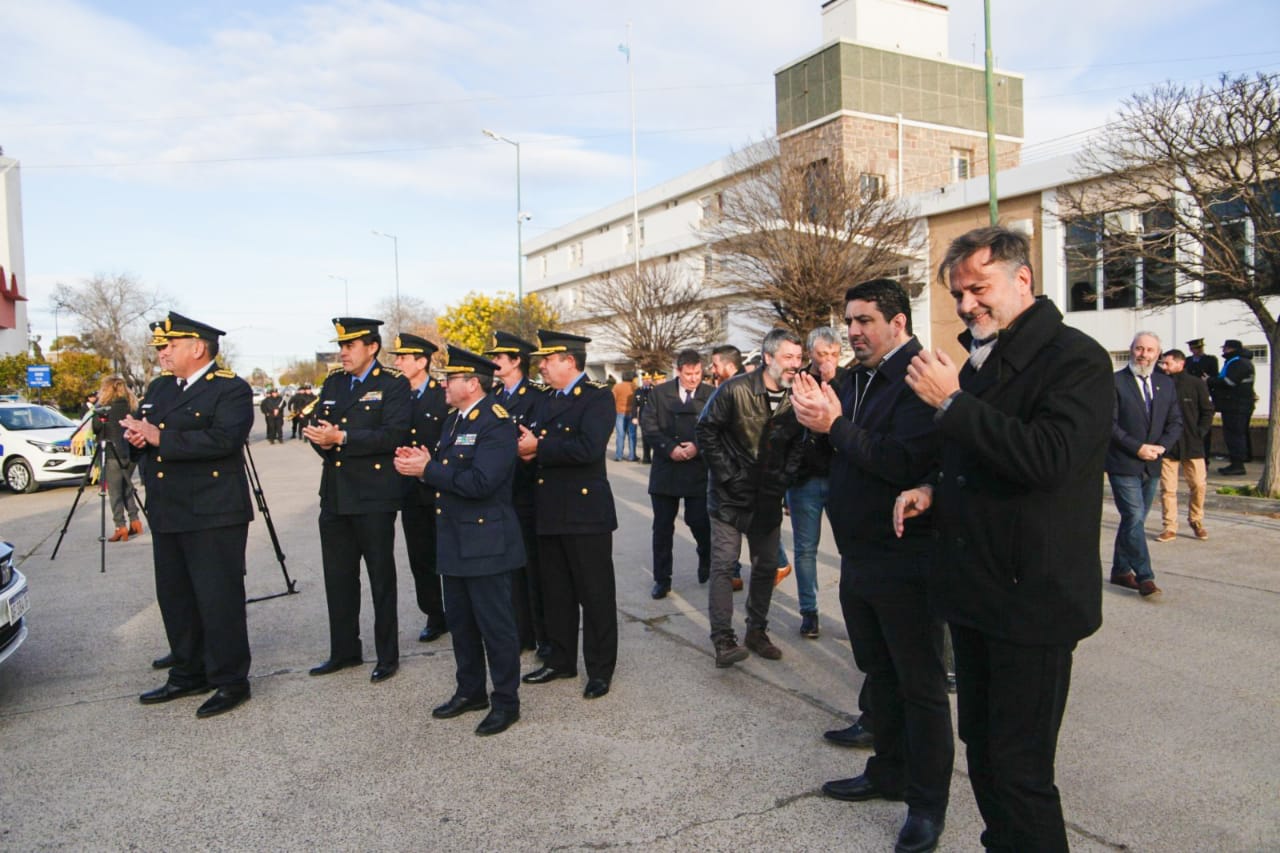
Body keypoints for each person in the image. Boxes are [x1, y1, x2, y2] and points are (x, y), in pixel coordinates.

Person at [895, 226, 1112, 852]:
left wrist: (954, 403)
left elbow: (1049, 459)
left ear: (1024, 279)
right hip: (977, 594)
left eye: (978, 289)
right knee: (984, 753)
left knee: (1020, 770)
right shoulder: (983, 358)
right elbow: (980, 455)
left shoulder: (1077, 359)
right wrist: (935, 488)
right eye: (959, 294)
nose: (966, 306)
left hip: (1033, 600)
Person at [792, 278, 951, 853]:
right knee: (878, 673)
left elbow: (904, 460)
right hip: (858, 554)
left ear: (899, 323)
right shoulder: (856, 379)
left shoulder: (920, 377)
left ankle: (926, 805)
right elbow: (835, 455)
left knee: (920, 685)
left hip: (908, 556)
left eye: (864, 321)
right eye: (850, 321)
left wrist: (833, 426)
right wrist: (811, 420)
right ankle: (887, 771)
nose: (853, 332)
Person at [122, 311, 255, 719]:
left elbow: (225, 439)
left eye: (170, 346)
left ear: (197, 349)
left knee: (218, 599)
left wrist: (161, 437)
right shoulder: (161, 388)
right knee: (176, 598)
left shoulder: (230, 389)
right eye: (162, 348)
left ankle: (231, 679)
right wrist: (138, 440)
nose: (162, 353)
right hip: (169, 509)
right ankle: (187, 671)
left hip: (213, 511)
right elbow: (149, 438)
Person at [395, 346, 525, 737]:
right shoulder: (453, 420)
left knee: (495, 626)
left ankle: (506, 700)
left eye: (451, 379)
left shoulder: (496, 423)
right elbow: (447, 471)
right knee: (462, 625)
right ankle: (470, 691)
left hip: (485, 542)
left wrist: (429, 470)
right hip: (453, 538)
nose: (444, 385)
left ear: (472, 384)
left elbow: (483, 483)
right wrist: (422, 466)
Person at [304, 317, 411, 683]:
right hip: (335, 494)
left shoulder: (392, 385)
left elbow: (394, 433)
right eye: (341, 346)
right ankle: (344, 650)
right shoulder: (334, 382)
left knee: (381, 578)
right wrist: (321, 438)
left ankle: (387, 655)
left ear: (372, 348)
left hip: (374, 496)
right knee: (338, 578)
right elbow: (321, 425)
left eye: (350, 346)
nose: (342, 352)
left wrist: (344, 438)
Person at [695, 328, 806, 667]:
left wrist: (784, 479)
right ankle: (723, 639)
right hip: (729, 498)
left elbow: (800, 442)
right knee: (724, 566)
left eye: (799, 358)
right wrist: (729, 475)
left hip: (768, 497)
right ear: (768, 358)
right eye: (788, 358)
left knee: (766, 566)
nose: (795, 365)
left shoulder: (798, 394)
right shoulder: (735, 389)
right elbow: (705, 430)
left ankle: (756, 631)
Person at [518, 330, 619, 700]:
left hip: (585, 512)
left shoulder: (596, 398)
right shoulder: (546, 400)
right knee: (556, 593)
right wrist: (529, 450)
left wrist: (539, 446)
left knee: (595, 595)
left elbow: (589, 448)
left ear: (570, 362)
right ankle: (560, 660)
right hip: (550, 509)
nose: (541, 365)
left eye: (548, 359)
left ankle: (600, 669)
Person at [484, 330, 549, 657]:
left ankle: (542, 634)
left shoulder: (537, 395)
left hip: (528, 492)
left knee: (534, 569)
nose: (493, 362)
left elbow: (536, 443)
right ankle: (521, 632)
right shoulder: (494, 395)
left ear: (517, 361)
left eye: (499, 357)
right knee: (510, 568)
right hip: (502, 493)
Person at [1106, 331, 1181, 599]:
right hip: (1124, 462)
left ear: (1158, 354)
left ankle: (1120, 570)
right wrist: (1136, 447)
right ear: (1131, 350)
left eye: (1149, 350)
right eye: (1139, 349)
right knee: (1134, 517)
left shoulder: (1166, 384)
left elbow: (1175, 422)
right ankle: (1145, 576)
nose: (1143, 354)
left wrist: (1161, 447)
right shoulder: (1115, 382)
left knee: (1133, 520)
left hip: (1153, 463)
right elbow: (1109, 424)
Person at [388, 333, 449, 642]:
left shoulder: (443, 395)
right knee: (420, 556)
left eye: (403, 357)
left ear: (422, 361)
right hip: (409, 490)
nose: (397, 362)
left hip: (440, 487)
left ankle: (458, 609)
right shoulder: (395, 395)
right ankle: (434, 614)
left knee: (449, 553)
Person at [786, 327, 846, 638]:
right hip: (805, 479)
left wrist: (833, 381)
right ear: (811, 353)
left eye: (833, 354)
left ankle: (854, 609)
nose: (828, 361)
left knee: (848, 547)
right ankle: (809, 611)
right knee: (805, 549)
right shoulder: (795, 382)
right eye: (822, 354)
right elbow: (783, 429)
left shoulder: (848, 380)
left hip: (841, 476)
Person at [641, 349, 713, 599]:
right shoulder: (660, 393)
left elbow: (716, 427)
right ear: (678, 371)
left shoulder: (710, 394)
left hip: (697, 469)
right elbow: (649, 426)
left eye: (697, 373)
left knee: (699, 522)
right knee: (662, 528)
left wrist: (697, 446)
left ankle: (706, 557)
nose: (694, 379)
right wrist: (669, 448)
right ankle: (662, 579)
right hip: (666, 469)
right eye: (688, 374)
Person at [1157, 349, 1213, 542]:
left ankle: (1196, 520)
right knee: (1168, 489)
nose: (1164, 367)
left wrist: (1200, 433)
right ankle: (1169, 526)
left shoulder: (1195, 384)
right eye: (1162, 363)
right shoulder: (1159, 383)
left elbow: (1207, 411)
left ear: (1180, 364)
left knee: (1198, 484)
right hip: (1167, 445)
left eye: (1168, 363)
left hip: (1192, 443)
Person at [96, 375, 143, 543]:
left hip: (112, 453)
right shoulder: (131, 406)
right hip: (130, 453)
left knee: (115, 491)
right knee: (126, 487)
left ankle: (120, 526)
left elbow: (96, 427)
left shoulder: (105, 408)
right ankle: (135, 520)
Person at [1207, 339, 1255, 476]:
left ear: (1231, 349)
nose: (1223, 351)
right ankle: (1238, 461)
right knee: (1237, 434)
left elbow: (1229, 382)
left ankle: (1237, 465)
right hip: (1236, 404)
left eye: (1225, 349)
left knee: (1234, 435)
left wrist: (1209, 381)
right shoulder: (1237, 361)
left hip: (1236, 405)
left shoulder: (1238, 362)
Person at [1183, 338, 1219, 460]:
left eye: (1198, 348)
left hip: (1204, 392)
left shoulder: (1210, 360)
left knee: (1204, 427)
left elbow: (1213, 375)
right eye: (1193, 349)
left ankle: (1205, 457)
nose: (1196, 351)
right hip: (1189, 394)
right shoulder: (1187, 361)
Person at [611, 370, 638, 461]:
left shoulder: (617, 387)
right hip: (632, 413)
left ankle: (619, 456)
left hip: (619, 413)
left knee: (620, 435)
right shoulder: (635, 387)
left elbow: (612, 400)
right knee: (632, 435)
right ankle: (632, 456)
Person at [633, 373, 656, 463]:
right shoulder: (638, 390)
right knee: (645, 438)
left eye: (648, 379)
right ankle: (646, 458)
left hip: (654, 417)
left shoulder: (655, 389)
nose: (646, 381)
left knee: (654, 438)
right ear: (642, 380)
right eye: (644, 379)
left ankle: (655, 458)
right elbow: (635, 404)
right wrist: (634, 417)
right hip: (643, 417)